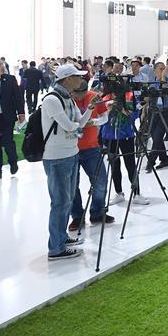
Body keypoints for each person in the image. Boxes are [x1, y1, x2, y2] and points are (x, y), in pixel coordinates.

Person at [41, 63, 104, 261]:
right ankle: (56, 248)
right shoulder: (52, 99)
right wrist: (81, 124)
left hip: (71, 153)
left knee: (66, 201)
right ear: (67, 79)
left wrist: (90, 108)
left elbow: (80, 123)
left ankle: (61, 239)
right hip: (57, 157)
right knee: (60, 202)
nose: (81, 79)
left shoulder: (68, 98)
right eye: (77, 76)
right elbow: (70, 126)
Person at [68, 81, 114, 232]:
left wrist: (93, 122)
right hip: (71, 149)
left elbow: (105, 117)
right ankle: (77, 216)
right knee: (72, 186)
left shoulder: (94, 97)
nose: (78, 97)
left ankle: (97, 212)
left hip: (92, 147)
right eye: (75, 94)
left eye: (81, 94)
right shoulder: (66, 100)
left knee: (100, 182)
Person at [100, 84, 149, 206]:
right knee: (114, 165)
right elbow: (99, 118)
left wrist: (123, 109)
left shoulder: (130, 97)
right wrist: (108, 110)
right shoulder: (104, 98)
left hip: (126, 136)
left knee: (130, 164)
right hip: (109, 137)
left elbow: (135, 115)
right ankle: (119, 193)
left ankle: (137, 194)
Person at [144, 62, 168, 172]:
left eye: (164, 68)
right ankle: (164, 159)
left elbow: (166, 90)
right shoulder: (151, 81)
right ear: (155, 70)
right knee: (156, 138)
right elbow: (148, 97)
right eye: (161, 69)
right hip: (152, 111)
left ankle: (150, 161)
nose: (163, 70)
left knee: (157, 137)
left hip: (164, 111)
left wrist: (163, 77)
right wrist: (144, 110)